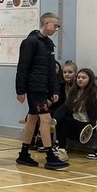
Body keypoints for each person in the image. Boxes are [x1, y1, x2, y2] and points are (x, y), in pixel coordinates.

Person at [14, 13, 68, 169]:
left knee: (32, 119)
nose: (57, 29)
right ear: (46, 23)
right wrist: (20, 90)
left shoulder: (49, 44)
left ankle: (24, 154)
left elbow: (52, 70)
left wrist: (55, 90)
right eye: (55, 25)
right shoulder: (30, 42)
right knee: (45, 119)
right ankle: (50, 156)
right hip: (34, 88)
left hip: (43, 88)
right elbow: (22, 67)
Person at [57, 67, 97, 148]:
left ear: (90, 79)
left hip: (89, 125)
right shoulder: (73, 92)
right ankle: (61, 148)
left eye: (83, 78)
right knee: (62, 117)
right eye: (78, 77)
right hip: (75, 122)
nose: (80, 79)